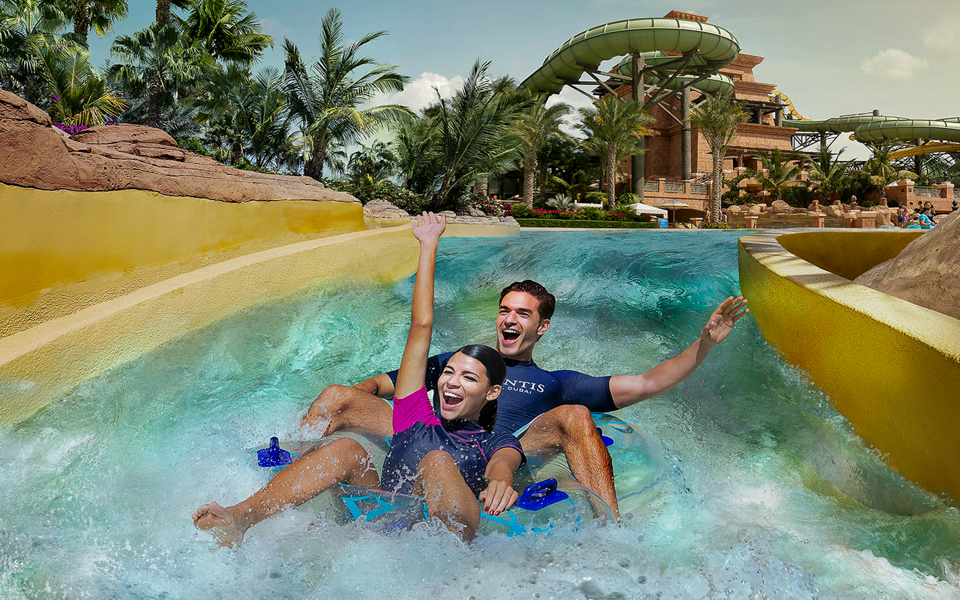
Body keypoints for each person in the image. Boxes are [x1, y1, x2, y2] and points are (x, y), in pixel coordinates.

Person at [193, 213, 524, 545]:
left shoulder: (493, 440)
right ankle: (241, 518)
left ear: (492, 392)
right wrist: (428, 244)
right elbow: (421, 326)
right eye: (449, 372)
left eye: (468, 377)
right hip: (385, 527)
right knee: (348, 448)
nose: (451, 382)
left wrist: (500, 480)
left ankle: (447, 558)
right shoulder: (415, 416)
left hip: (445, 537)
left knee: (436, 460)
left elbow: (503, 463)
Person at [302, 280, 749, 518]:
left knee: (575, 416)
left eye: (522, 312)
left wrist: (704, 345)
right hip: (426, 438)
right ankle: (293, 462)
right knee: (338, 394)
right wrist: (351, 404)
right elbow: (381, 385)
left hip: (502, 451)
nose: (509, 319)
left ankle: (609, 525)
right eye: (504, 310)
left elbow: (648, 383)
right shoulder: (462, 365)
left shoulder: (555, 381)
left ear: (543, 326)